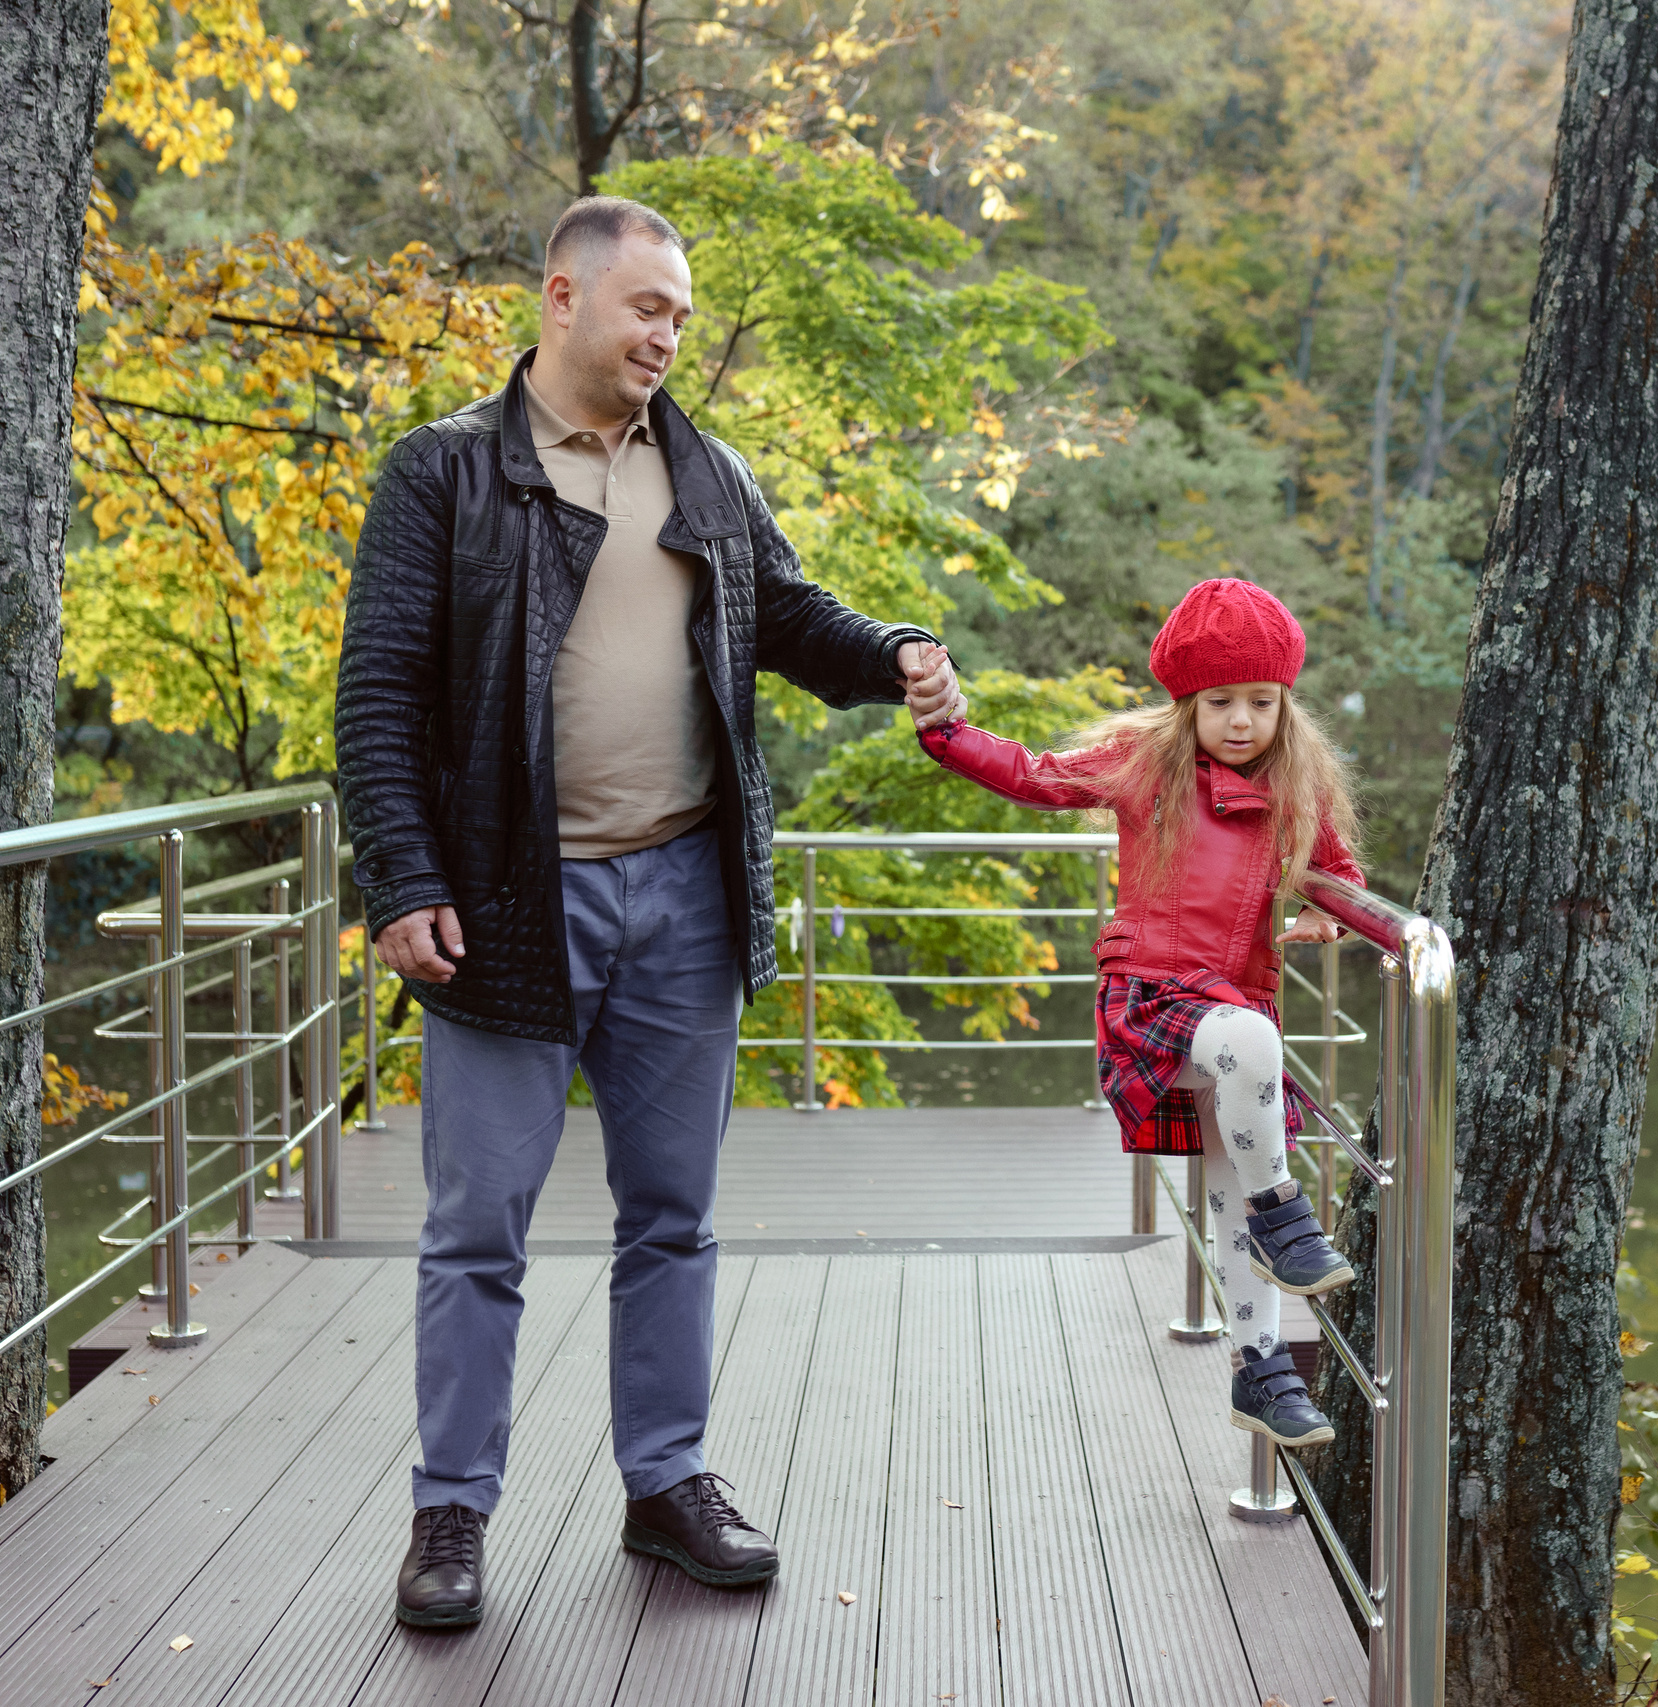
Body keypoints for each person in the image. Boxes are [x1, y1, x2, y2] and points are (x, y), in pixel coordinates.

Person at [334, 195, 961, 1629]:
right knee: (477, 1226)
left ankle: (666, 1482)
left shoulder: (705, 467)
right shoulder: (443, 472)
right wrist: (404, 879)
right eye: (647, 307)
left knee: (673, 1218)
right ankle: (451, 1507)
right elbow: (377, 693)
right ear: (563, 298)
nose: (668, 333)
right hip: (505, 903)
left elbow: (786, 612)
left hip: (685, 892)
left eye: (681, 313)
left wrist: (894, 651)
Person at [904, 578, 1362, 1447]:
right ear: (1187, 703)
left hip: (1235, 1017)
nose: (1241, 721)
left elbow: (1338, 871)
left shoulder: (1296, 786)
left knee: (1231, 1183)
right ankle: (1286, 1215)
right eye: (1220, 703)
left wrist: (1325, 912)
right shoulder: (1146, 765)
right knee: (1252, 1046)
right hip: (1152, 1001)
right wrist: (947, 731)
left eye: (1261, 702)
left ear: (1285, 704)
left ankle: (1261, 1370)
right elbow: (1035, 775)